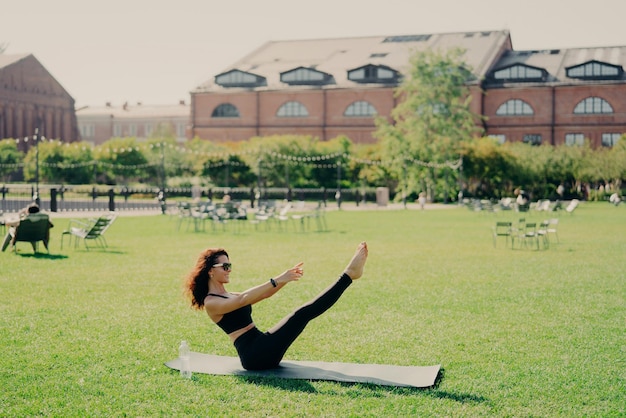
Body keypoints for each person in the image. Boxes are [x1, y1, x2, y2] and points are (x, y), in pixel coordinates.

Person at [184, 242, 368, 370]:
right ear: (210, 271)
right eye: (225, 266)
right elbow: (243, 300)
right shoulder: (211, 302)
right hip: (254, 355)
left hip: (260, 345)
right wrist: (277, 279)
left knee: (302, 314)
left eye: (230, 265)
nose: (229, 269)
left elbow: (264, 294)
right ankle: (348, 275)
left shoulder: (228, 295)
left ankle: (349, 275)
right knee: (301, 314)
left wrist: (285, 278)